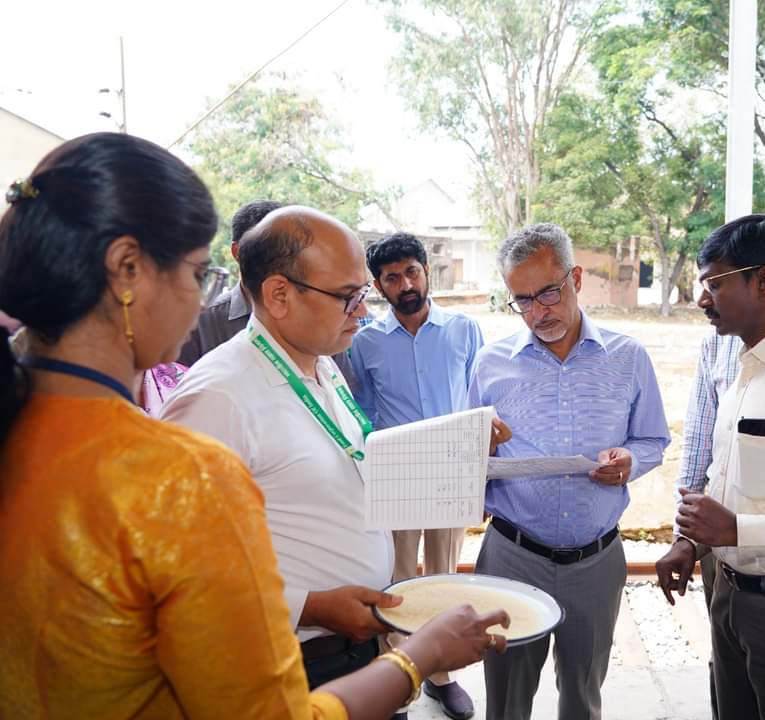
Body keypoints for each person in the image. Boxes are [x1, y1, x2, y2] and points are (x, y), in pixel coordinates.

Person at [0, 132, 508, 720]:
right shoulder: (180, 463)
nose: (201, 301)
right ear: (127, 271)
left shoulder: (322, 368)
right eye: (198, 274)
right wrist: (418, 657)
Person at [161, 206, 417, 694]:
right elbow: (179, 570)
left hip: (355, 650)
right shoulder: (219, 397)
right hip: (293, 664)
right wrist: (311, 606)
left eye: (362, 294)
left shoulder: (320, 362)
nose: (363, 310)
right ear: (279, 295)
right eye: (347, 297)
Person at [468, 222, 671, 720]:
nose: (539, 313)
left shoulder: (627, 358)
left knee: (583, 697)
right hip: (512, 558)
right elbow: (466, 462)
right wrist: (476, 444)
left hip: (595, 564)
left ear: (576, 277)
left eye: (549, 293)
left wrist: (631, 461)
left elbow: (652, 440)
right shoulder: (490, 363)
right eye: (522, 301)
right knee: (506, 701)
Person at [653, 215, 765, 720]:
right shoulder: (739, 365)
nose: (702, 298)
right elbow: (726, 481)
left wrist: (736, 529)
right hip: (728, 596)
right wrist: (693, 542)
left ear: (764, 281)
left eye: (715, 283)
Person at [352, 232, 492, 720]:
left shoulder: (463, 330)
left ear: (426, 271)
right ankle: (399, 680)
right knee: (397, 580)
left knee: (442, 576)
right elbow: (364, 411)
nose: (405, 283)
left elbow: (480, 400)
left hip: (452, 472)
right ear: (378, 286)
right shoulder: (364, 341)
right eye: (392, 277)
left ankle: (439, 674)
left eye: (412, 271)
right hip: (397, 474)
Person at [177, 200, 367, 393]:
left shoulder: (325, 341)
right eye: (346, 296)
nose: (361, 310)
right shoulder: (202, 326)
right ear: (239, 252)